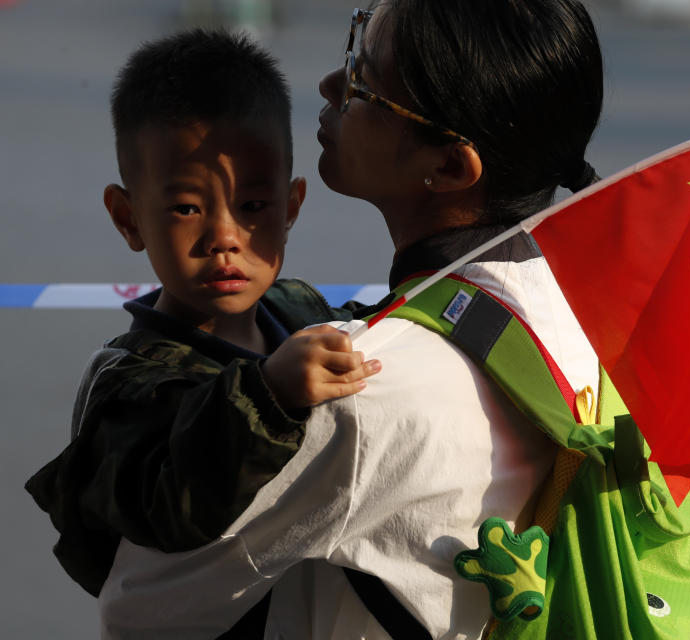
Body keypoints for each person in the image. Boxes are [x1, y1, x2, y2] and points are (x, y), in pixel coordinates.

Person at [97, 1, 604, 638]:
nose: (331, 87)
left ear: (448, 166)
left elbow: (145, 609)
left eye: (364, 81)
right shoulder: (567, 305)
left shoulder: (359, 390)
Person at [24, 28, 383, 637]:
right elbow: (174, 504)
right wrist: (267, 397)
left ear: (291, 207)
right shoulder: (129, 384)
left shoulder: (296, 310)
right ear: (127, 217)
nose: (224, 236)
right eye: (187, 208)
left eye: (252, 207)